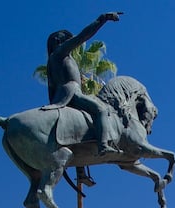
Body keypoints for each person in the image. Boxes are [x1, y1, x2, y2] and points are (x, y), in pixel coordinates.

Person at [43, 12, 121, 156]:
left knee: (78, 133)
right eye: (64, 38)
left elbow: (52, 88)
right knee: (101, 110)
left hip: (62, 96)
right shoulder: (60, 52)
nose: (68, 41)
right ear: (57, 41)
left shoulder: (52, 61)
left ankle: (81, 173)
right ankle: (103, 145)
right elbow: (82, 36)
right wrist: (102, 19)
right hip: (72, 92)